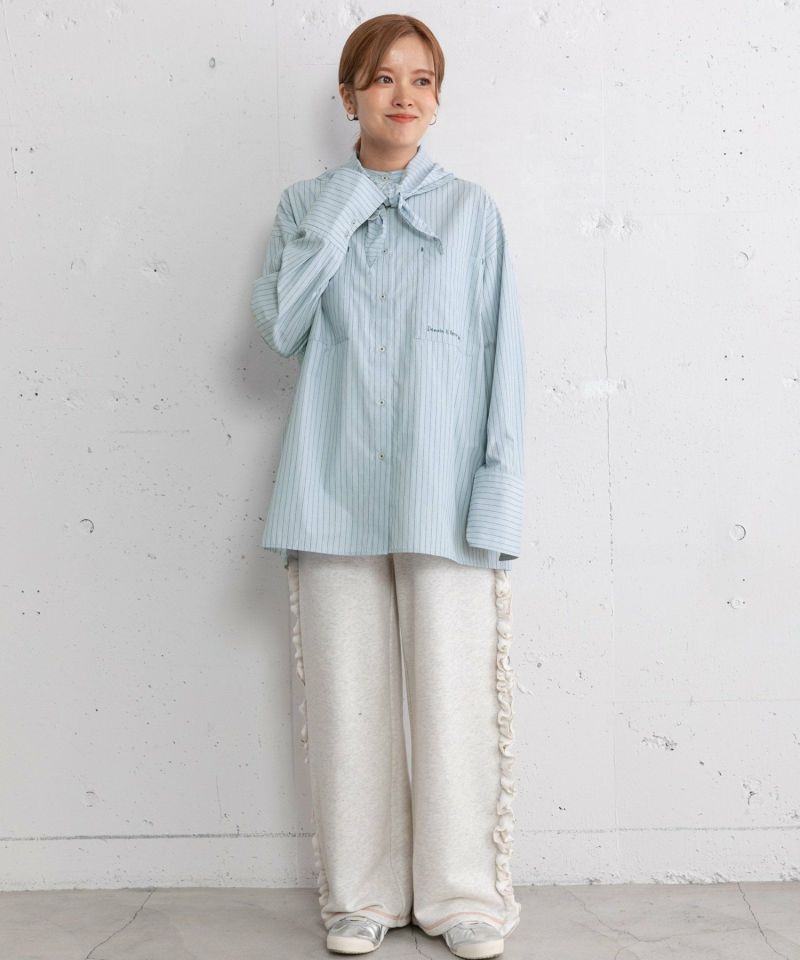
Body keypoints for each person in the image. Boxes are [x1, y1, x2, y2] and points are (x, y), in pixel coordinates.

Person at [250, 14, 526, 959]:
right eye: (381, 79)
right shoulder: (305, 206)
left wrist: (498, 493)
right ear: (349, 96)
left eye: (421, 80)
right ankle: (360, 894)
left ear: (439, 100)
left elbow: (504, 361)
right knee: (349, 699)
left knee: (453, 697)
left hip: (443, 493)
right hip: (329, 485)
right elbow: (282, 328)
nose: (402, 96)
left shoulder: (474, 213)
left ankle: (462, 895)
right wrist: (347, 207)